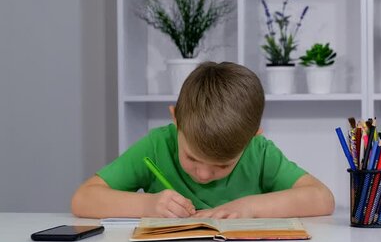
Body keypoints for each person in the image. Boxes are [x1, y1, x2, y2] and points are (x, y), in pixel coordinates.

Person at [71, 61, 335, 219]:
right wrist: (148, 204)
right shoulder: (157, 145)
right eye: (192, 157)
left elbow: (322, 199)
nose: (204, 174)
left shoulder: (259, 152)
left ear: (253, 137)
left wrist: (249, 207)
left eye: (222, 165)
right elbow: (83, 199)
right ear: (176, 121)